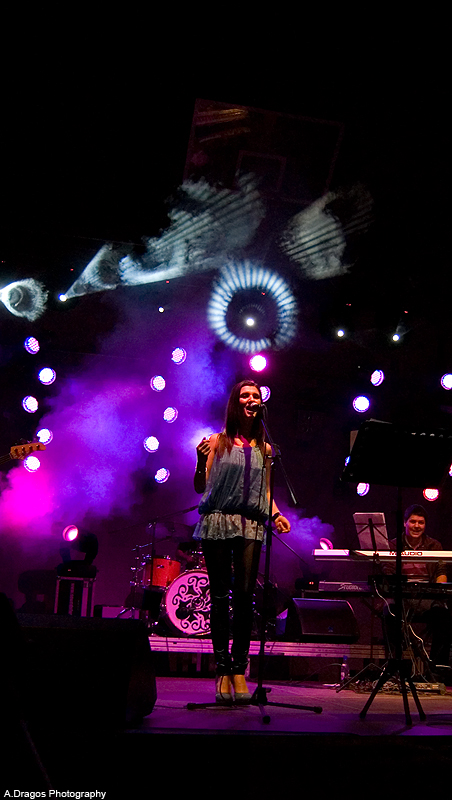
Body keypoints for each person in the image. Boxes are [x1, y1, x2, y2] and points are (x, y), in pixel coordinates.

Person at [193, 380, 290, 704]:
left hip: (251, 524)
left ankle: (239, 669)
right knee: (220, 596)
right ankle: (222, 668)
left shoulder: (265, 449)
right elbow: (200, 486)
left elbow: (265, 491)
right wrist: (199, 461)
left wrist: (276, 514)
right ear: (236, 403)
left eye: (256, 396)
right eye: (245, 395)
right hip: (219, 520)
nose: (252, 400)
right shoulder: (216, 442)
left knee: (246, 596)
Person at [382, 504, 452, 680]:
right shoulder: (393, 545)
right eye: (413, 522)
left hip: (427, 598)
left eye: (421, 522)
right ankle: (395, 665)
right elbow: (388, 572)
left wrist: (438, 592)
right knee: (389, 613)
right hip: (402, 597)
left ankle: (437, 669)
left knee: (444, 616)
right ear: (405, 523)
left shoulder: (434, 545)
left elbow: (440, 571)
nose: (417, 526)